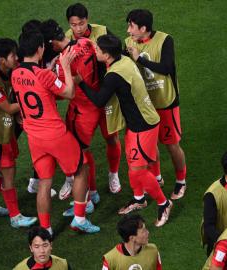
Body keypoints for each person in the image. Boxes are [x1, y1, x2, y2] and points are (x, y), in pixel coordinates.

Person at [75, 34, 172, 227]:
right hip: (141, 121)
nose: (95, 52)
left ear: (107, 55)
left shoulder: (113, 76)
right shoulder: (124, 60)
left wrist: (80, 82)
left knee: (138, 171)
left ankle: (164, 203)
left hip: (142, 125)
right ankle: (139, 198)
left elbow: (99, 100)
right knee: (133, 165)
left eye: (98, 51)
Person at [12, 30, 100, 234]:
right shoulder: (43, 75)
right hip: (55, 134)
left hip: (34, 137)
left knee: (45, 181)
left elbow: (36, 83)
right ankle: (79, 218)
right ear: (40, 49)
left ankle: (46, 228)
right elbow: (68, 92)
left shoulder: (16, 74)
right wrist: (66, 67)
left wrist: (50, 72)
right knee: (82, 168)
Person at [39, 19, 105, 211]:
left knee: (80, 158)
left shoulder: (63, 61)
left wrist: (48, 75)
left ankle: (87, 202)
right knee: (84, 152)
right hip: (93, 105)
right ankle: (93, 192)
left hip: (82, 111)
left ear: (51, 43)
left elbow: (63, 92)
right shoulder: (85, 42)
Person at [125, 9, 187, 200]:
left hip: (166, 101)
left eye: (131, 27)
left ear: (144, 28)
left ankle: (180, 181)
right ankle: (157, 177)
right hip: (145, 105)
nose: (128, 31)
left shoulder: (164, 40)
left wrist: (140, 59)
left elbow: (167, 68)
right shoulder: (128, 43)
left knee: (172, 145)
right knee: (150, 146)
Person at [63, 3, 122, 196]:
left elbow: (117, 56)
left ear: (87, 20)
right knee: (79, 145)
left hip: (105, 97)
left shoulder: (102, 31)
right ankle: (77, 181)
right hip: (81, 102)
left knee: (111, 138)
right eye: (73, 25)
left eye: (81, 23)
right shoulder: (66, 40)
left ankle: (113, 174)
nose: (78, 29)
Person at [0, 38, 37, 228]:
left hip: (3, 123)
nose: (17, 57)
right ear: (2, 60)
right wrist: (34, 98)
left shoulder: (7, 68)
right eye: (13, 55)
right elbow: (8, 107)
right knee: (8, 168)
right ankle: (15, 216)